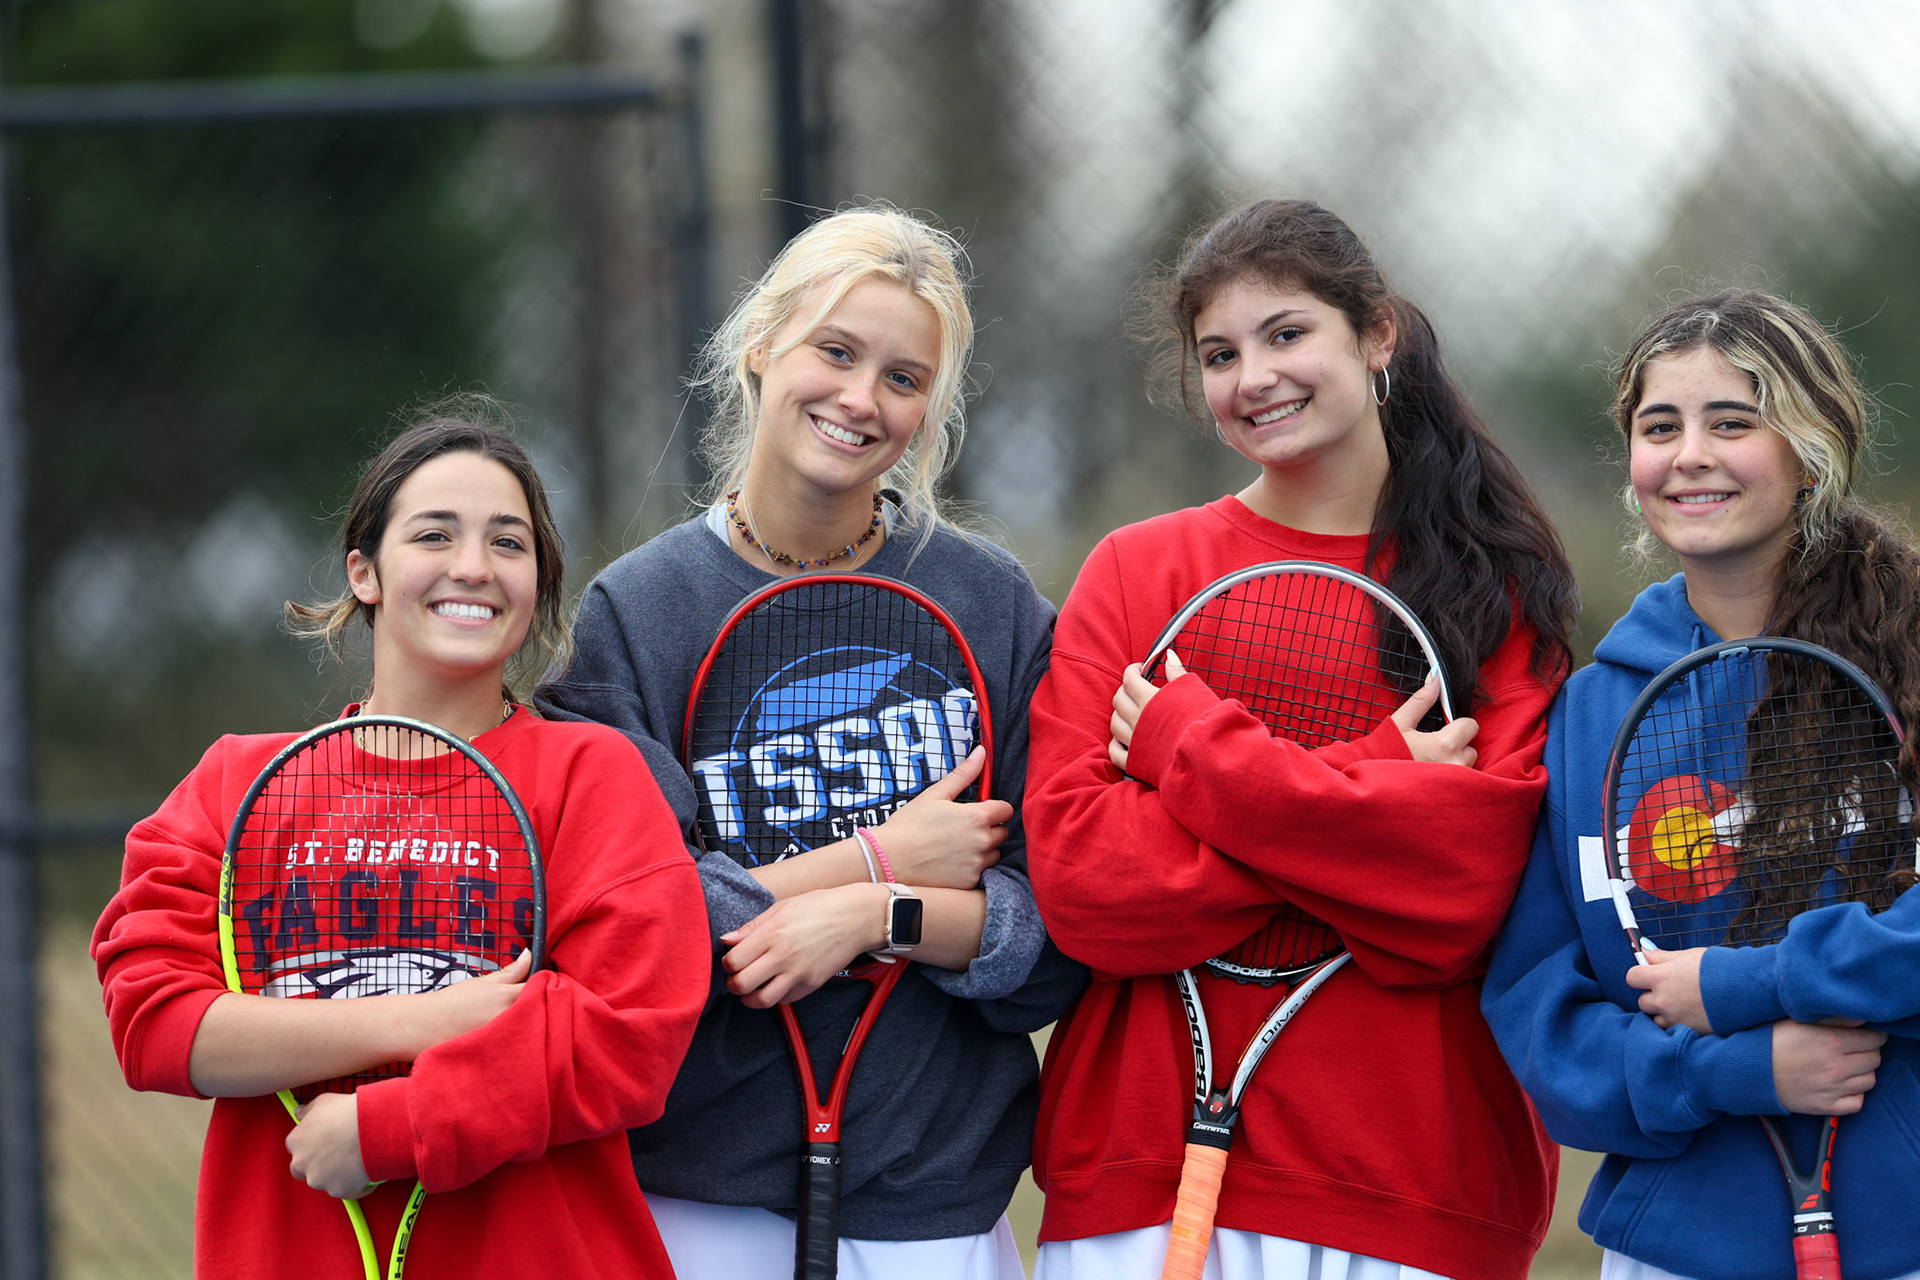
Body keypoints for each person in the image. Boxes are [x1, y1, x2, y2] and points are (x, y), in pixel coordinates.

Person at [1023, 198, 1580, 1280]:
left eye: (1287, 334)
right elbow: (1086, 882)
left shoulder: (1496, 591)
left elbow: (1458, 891)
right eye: (1220, 354)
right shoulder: (1136, 572)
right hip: (1144, 1162)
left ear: (1376, 335)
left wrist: (1187, 745)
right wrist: (1375, 783)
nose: (1253, 377)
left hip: (1415, 1177)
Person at [537, 204, 1084, 1278]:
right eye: (835, 351)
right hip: (697, 1184)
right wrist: (880, 860)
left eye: (902, 376)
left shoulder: (993, 602)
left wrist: (872, 914)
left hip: (936, 1189)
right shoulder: (638, 612)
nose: (859, 398)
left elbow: (1053, 933)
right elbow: (632, 917)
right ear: (761, 344)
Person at [92, 400, 709, 1279]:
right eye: (433, 535)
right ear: (365, 572)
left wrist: (393, 1128)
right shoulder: (232, 783)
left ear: (538, 585)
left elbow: (625, 1033)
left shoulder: (593, 775)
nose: (474, 567)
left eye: (508, 542)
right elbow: (155, 1023)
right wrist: (428, 1021)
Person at [1482, 288, 1920, 1280]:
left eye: (1733, 422)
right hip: (1673, 1245)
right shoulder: (1589, 715)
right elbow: (1544, 1015)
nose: (1690, 455)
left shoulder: (1910, 657)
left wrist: (1746, 985)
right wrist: (1736, 1070)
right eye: (1660, 426)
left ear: (1811, 448)